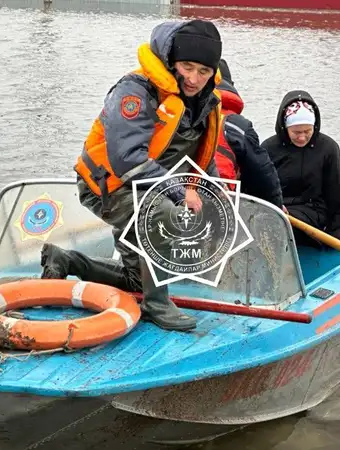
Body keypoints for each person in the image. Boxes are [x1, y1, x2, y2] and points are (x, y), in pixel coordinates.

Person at [41, 19, 226, 332]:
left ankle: (67, 261)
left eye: (204, 71)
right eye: (187, 67)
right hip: (108, 186)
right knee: (164, 213)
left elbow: (202, 160)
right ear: (172, 61)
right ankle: (156, 306)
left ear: (213, 72)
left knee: (135, 280)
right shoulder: (135, 91)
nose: (194, 79)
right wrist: (181, 193)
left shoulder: (205, 102)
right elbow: (127, 159)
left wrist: (220, 194)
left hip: (151, 188)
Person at [262, 90, 340, 250]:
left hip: (314, 209)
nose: (302, 137)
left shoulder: (328, 148)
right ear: (285, 127)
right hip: (279, 208)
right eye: (296, 132)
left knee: (284, 225)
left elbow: (335, 191)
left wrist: (336, 230)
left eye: (307, 131)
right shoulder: (268, 148)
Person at [212, 59, 284, 209]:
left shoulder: (172, 115)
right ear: (231, 85)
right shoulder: (237, 125)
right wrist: (276, 206)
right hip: (220, 204)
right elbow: (263, 175)